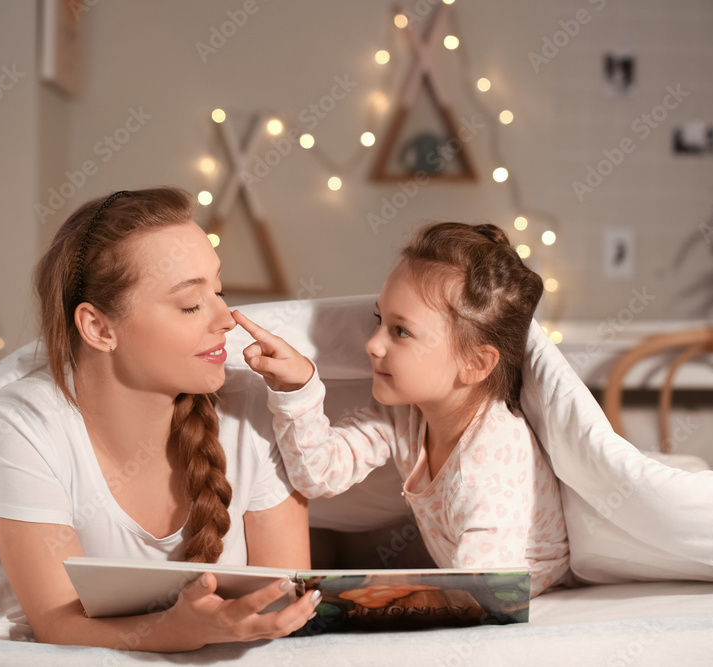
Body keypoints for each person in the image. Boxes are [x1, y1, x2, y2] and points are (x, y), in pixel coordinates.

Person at [0, 187, 319, 652]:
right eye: (191, 304)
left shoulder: (254, 409)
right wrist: (177, 633)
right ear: (99, 328)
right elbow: (58, 626)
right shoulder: (25, 423)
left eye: (218, 290)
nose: (227, 319)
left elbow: (284, 605)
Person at [233, 222, 572, 596]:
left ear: (475, 363)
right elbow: (318, 474)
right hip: (457, 566)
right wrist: (298, 388)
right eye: (380, 321)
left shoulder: (493, 457)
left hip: (520, 588)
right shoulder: (405, 414)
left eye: (401, 332)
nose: (372, 345)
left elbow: (484, 595)